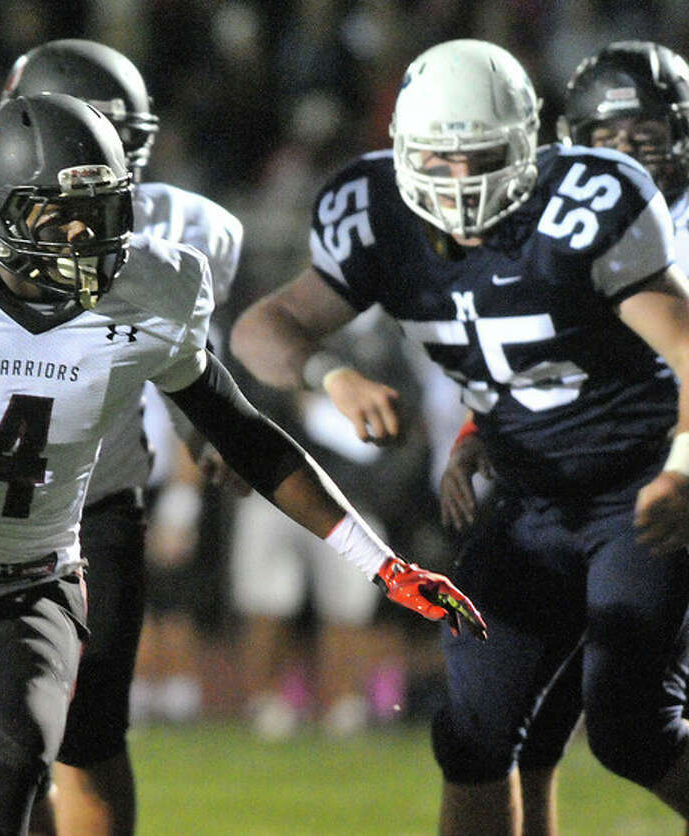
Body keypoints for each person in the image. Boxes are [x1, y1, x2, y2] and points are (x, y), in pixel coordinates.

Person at [0, 92, 485, 836]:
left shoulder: (151, 295)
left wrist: (382, 564)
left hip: (29, 589)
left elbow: (249, 439)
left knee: (8, 766)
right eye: (56, 213)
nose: (83, 234)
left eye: (99, 210)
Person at [228, 38, 689, 835]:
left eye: (478, 158)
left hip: (637, 488)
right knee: (472, 733)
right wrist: (328, 372)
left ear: (527, 146)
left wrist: (682, 470)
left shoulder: (585, 207)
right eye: (436, 161)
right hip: (528, 498)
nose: (459, 181)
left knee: (630, 726)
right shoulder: (376, 213)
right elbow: (265, 329)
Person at [0, 37, 243, 835]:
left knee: (84, 738)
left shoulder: (188, 232)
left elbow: (185, 358)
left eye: (124, 142)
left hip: (93, 502)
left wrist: (204, 430)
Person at [438, 39, 689, 835]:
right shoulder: (555, 213)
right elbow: (555, 351)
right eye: (604, 138)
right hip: (573, 490)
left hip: (666, 483)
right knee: (522, 726)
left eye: (643, 139)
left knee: (634, 723)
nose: (623, 158)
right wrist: (485, 427)